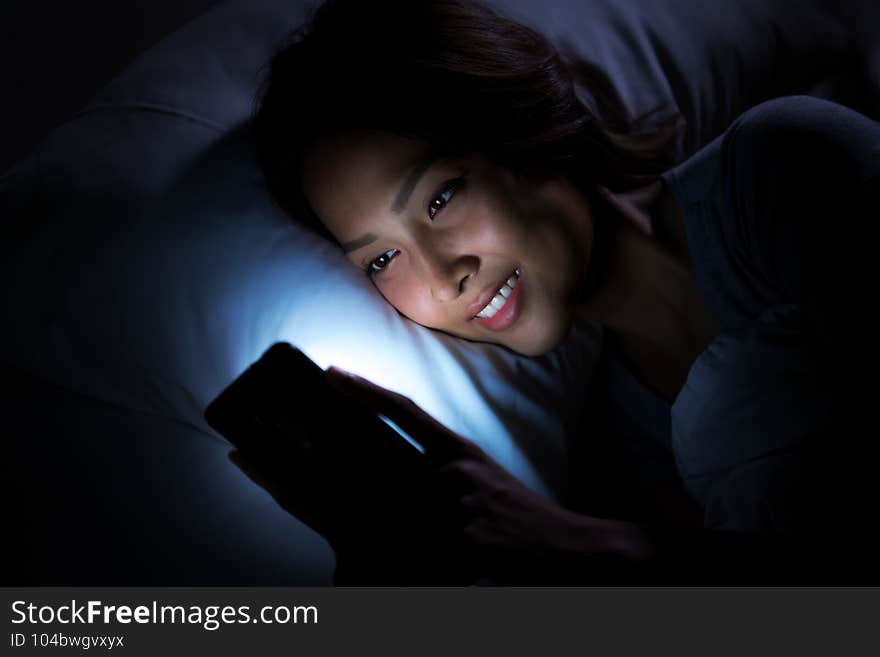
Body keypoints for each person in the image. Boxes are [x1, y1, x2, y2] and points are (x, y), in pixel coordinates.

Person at [236, 0, 872, 584]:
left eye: (440, 197)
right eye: (382, 257)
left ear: (522, 131)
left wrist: (572, 543)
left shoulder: (784, 169)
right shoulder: (610, 456)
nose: (439, 276)